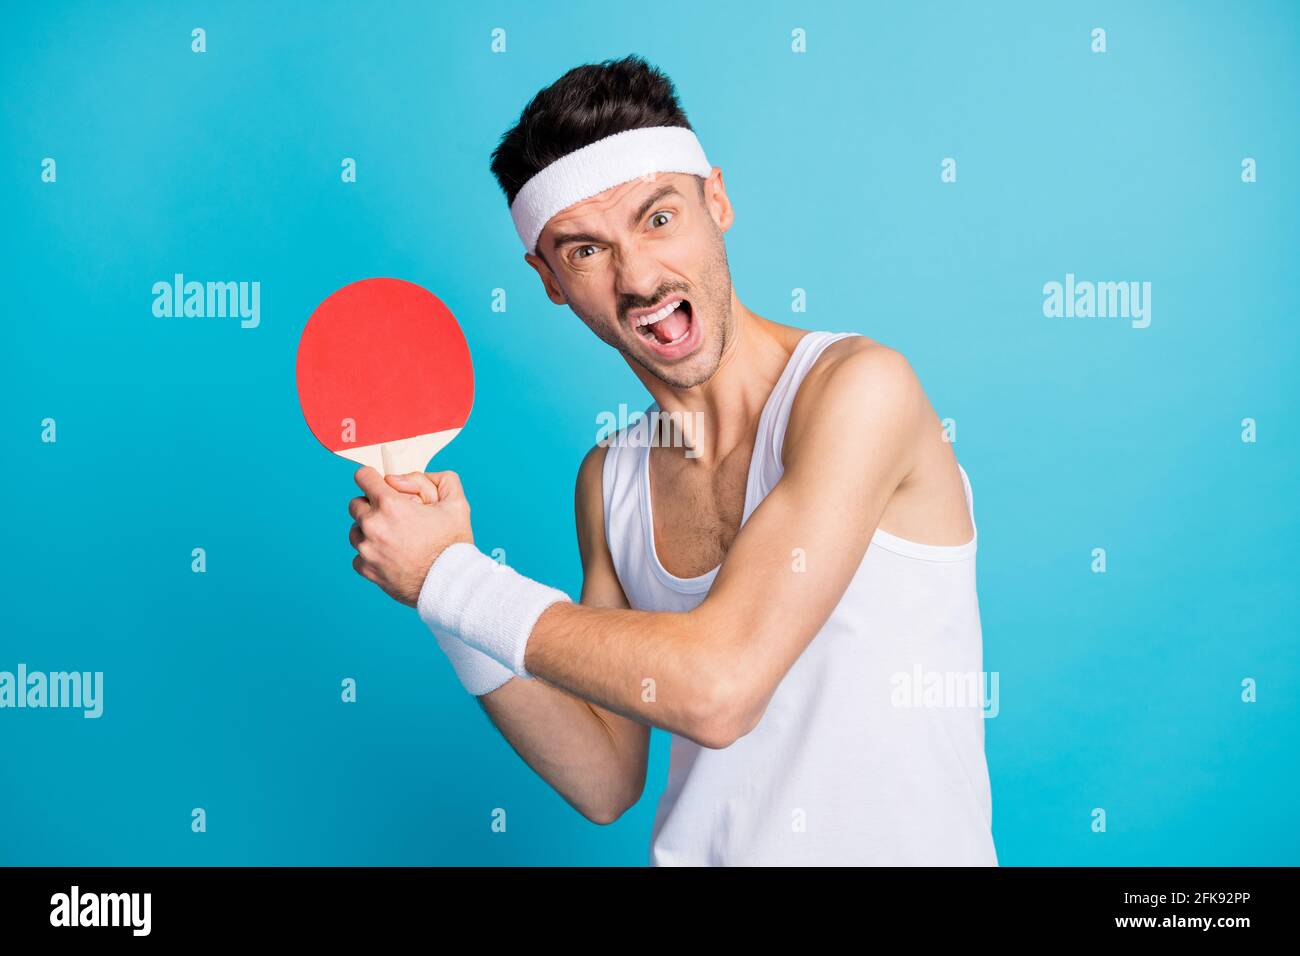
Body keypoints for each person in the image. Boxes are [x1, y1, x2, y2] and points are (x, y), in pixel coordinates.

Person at [346, 55, 997, 866]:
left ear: (715, 200)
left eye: (658, 218)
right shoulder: (609, 480)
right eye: (585, 251)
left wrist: (452, 581)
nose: (640, 277)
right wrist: (445, 592)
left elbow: (721, 690)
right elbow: (604, 778)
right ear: (547, 279)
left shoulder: (860, 391)